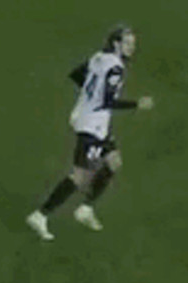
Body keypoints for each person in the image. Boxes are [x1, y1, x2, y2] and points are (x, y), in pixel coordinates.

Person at [25, 26, 154, 242]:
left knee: (113, 162)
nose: (132, 47)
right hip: (93, 126)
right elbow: (107, 101)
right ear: (116, 44)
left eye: (133, 43)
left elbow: (77, 75)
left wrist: (87, 98)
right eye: (127, 43)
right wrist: (137, 104)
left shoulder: (98, 57)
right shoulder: (116, 68)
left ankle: (85, 209)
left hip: (92, 120)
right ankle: (40, 215)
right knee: (80, 176)